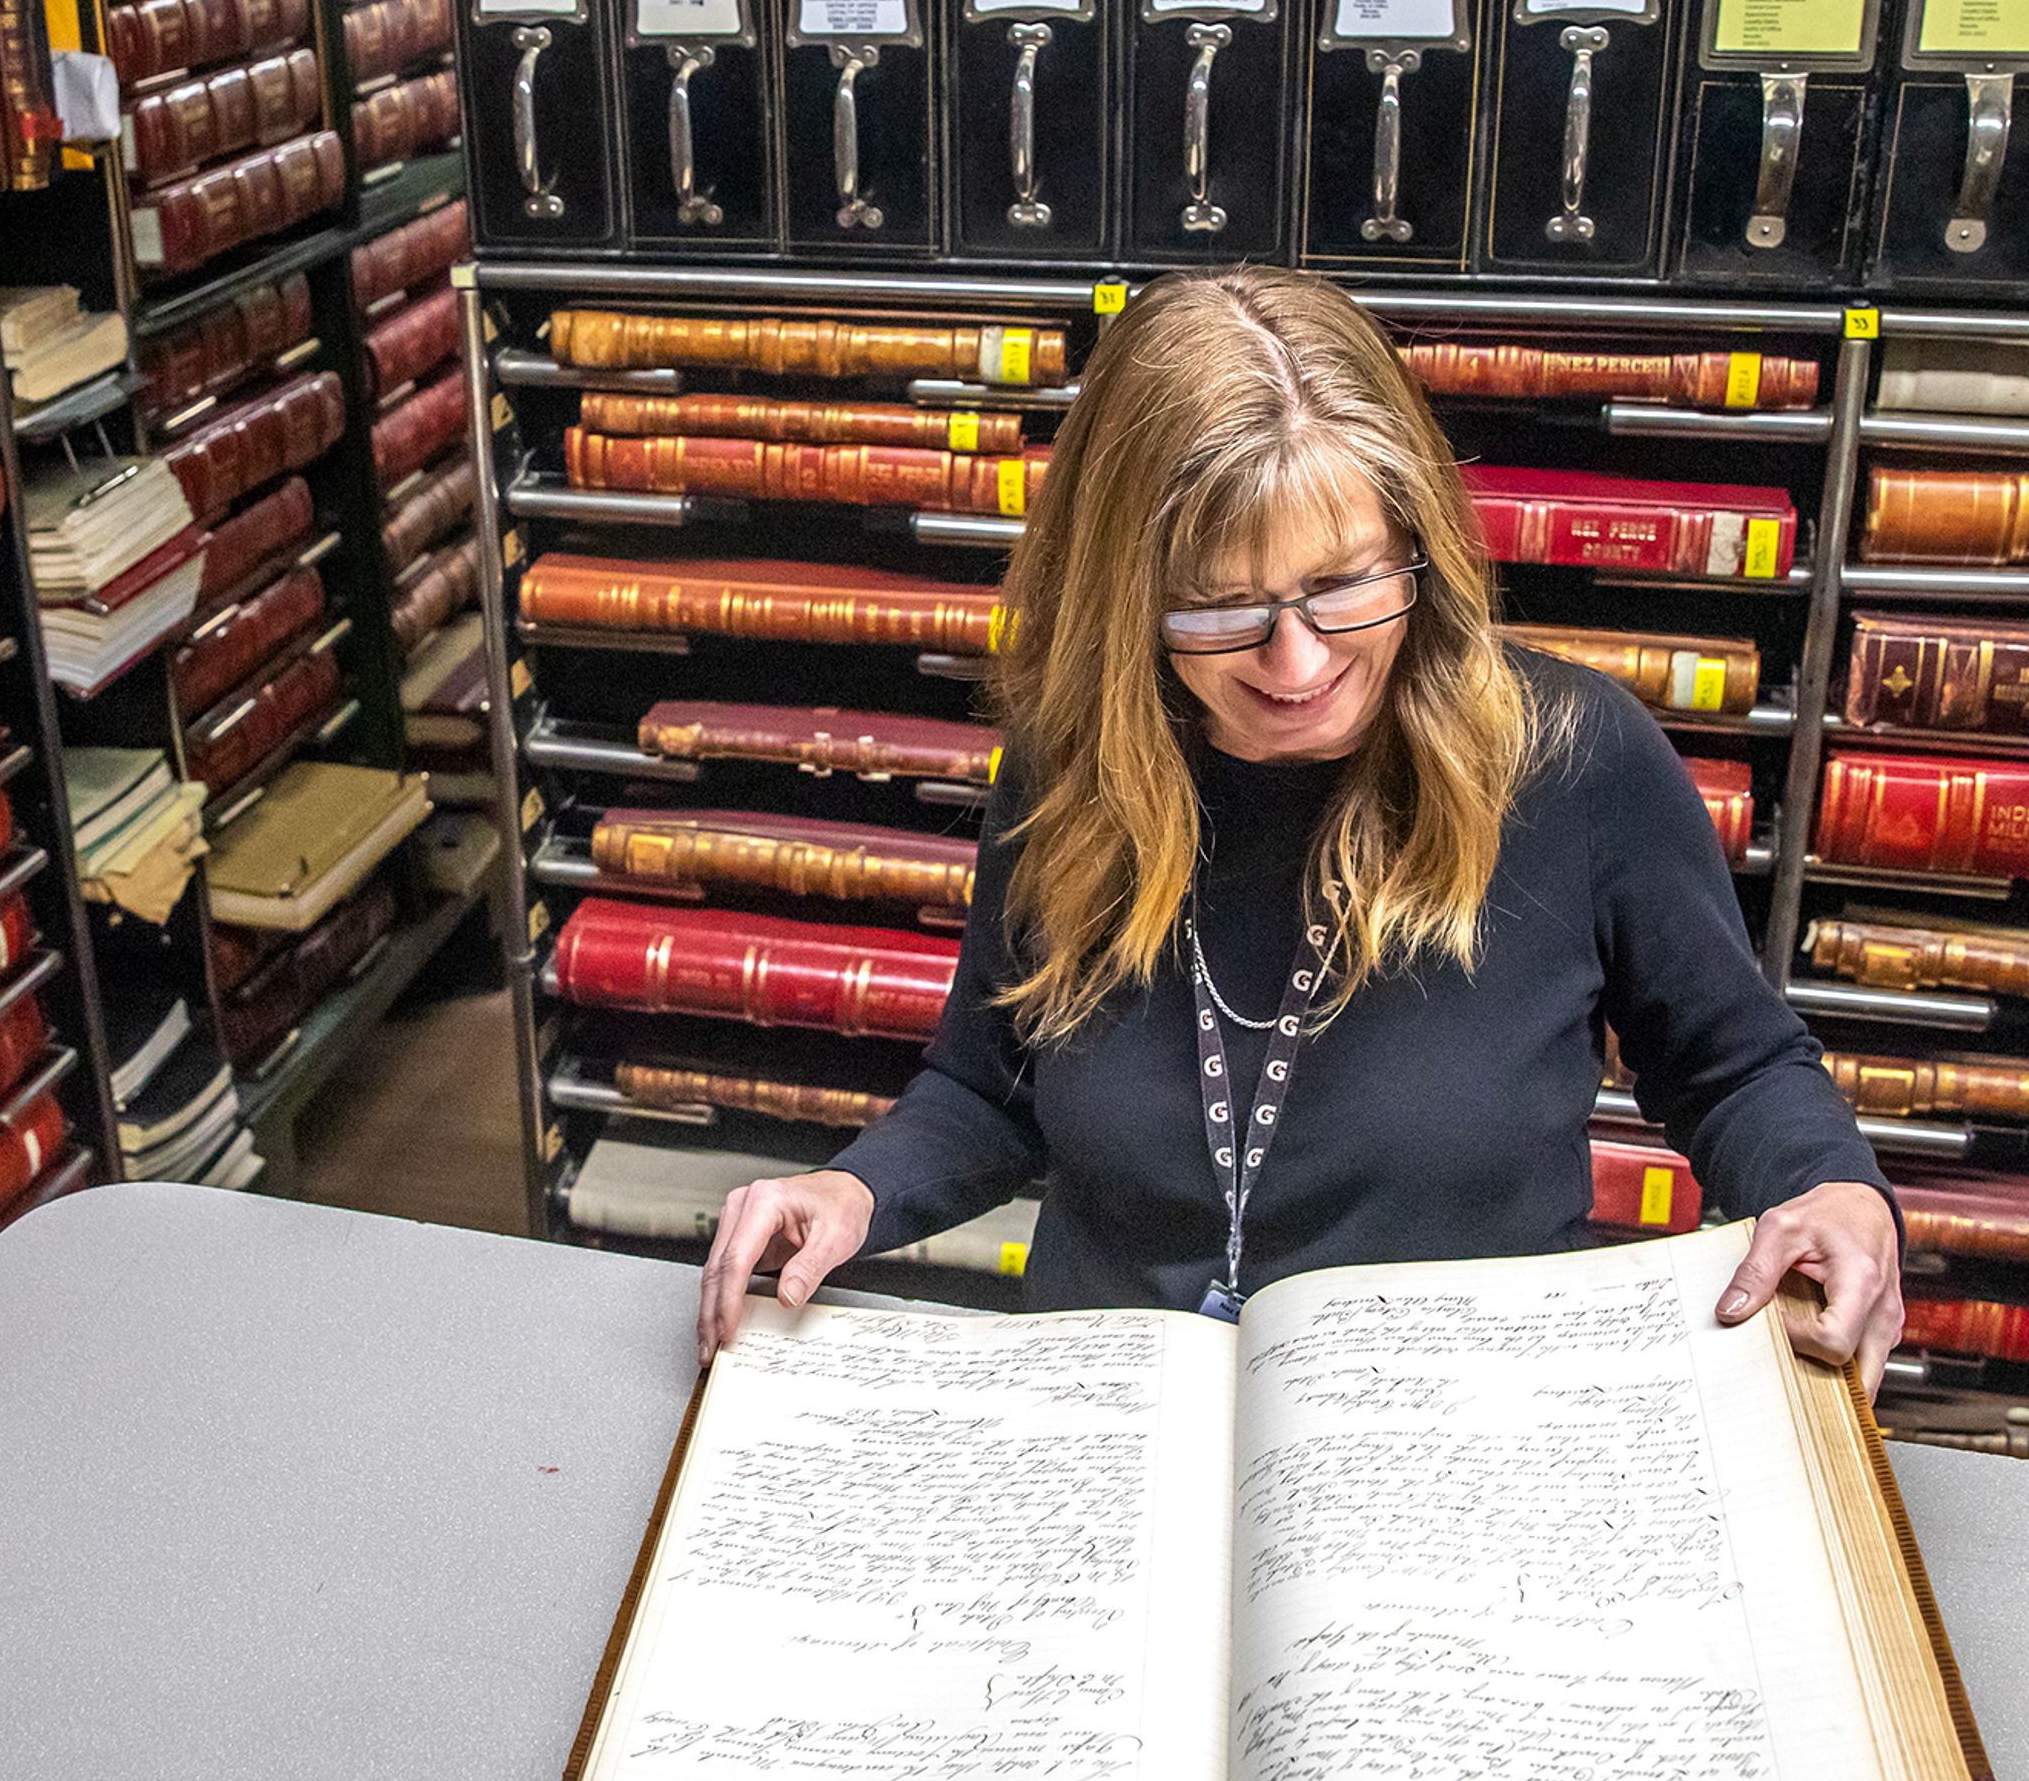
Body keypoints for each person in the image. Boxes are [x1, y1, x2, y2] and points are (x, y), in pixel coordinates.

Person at [694, 266, 1902, 1382]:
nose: (1298, 660)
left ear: (1418, 541)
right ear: (1125, 600)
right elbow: (995, 1080)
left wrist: (1836, 1188)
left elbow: (1734, 1064)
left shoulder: (1574, 757)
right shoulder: (1075, 765)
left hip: (1454, 1416)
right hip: (1122, 1410)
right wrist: (856, 1189)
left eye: (1345, 584)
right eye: (1220, 607)